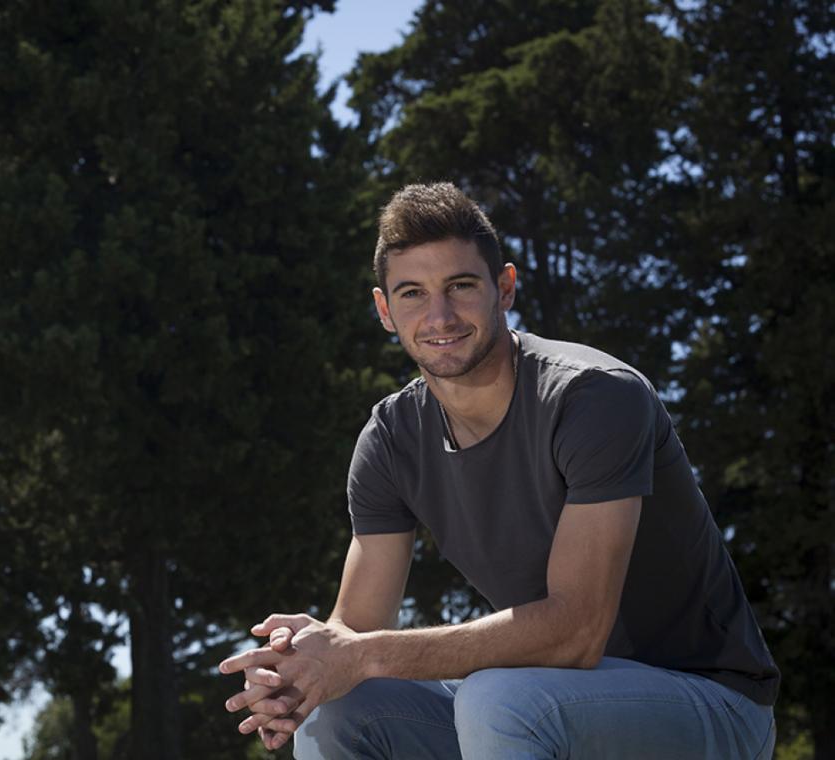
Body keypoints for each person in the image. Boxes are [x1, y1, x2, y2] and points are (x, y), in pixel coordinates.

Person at [218, 182, 779, 758]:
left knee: (498, 697)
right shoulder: (390, 440)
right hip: (545, 703)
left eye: (460, 286)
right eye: (412, 293)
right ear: (385, 310)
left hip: (709, 704)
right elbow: (354, 633)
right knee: (337, 711)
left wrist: (359, 655)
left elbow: (579, 633)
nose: (439, 316)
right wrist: (304, 668)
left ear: (504, 288)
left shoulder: (593, 397)